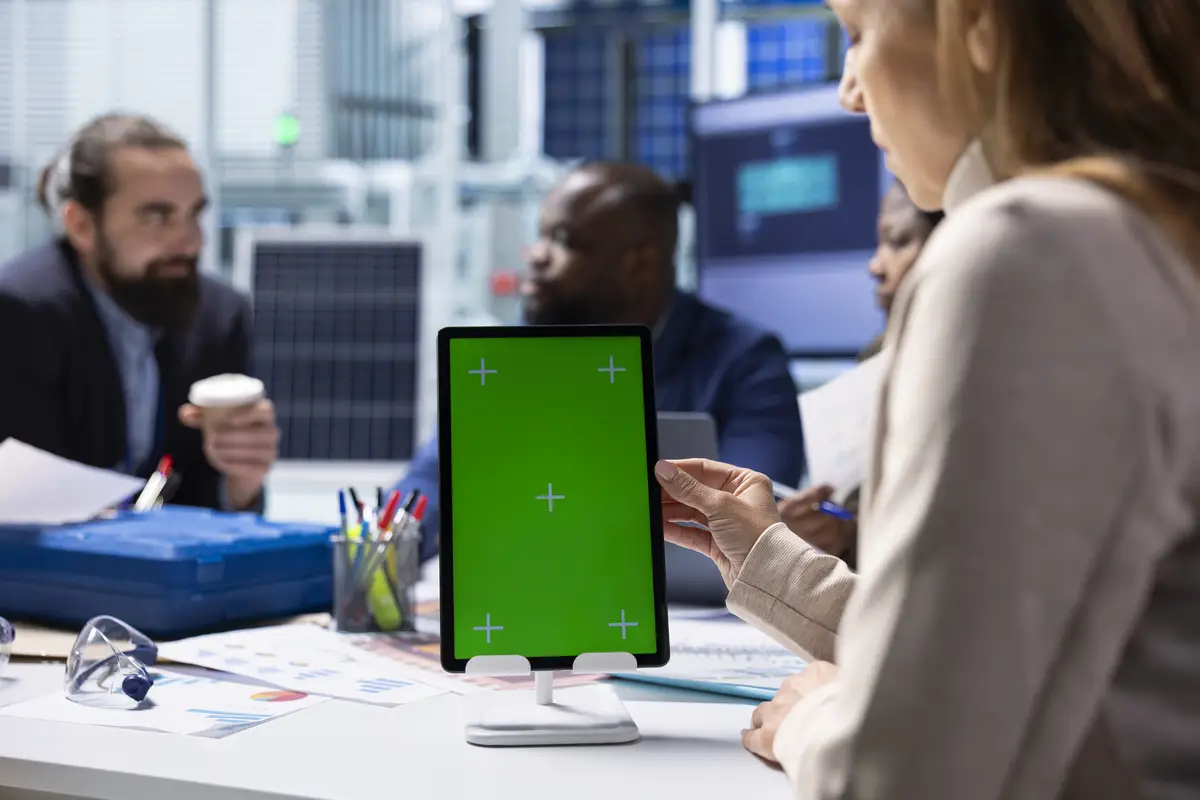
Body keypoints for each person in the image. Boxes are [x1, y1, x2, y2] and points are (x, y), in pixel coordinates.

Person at [654, 0, 1200, 797]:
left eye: (856, 36)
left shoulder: (1031, 249)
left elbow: (900, 772)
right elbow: (1002, 652)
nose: (849, 91)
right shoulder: (1147, 231)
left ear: (976, 22)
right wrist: (769, 561)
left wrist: (815, 717)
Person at [396, 161, 805, 560]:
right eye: (540, 236)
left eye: (564, 240)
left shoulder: (746, 360)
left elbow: (750, 515)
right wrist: (394, 545)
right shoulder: (513, 355)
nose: (536, 255)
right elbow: (435, 473)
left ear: (641, 264)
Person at [0, 113, 279, 511]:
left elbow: (209, 506)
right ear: (81, 225)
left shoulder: (219, 316)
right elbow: (28, 508)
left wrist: (241, 479)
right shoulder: (20, 314)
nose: (189, 241)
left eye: (194, 214)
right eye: (158, 217)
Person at [780, 182, 943, 563]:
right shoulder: (877, 357)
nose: (875, 265)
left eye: (898, 241)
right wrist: (832, 532)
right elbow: (853, 513)